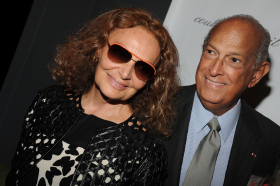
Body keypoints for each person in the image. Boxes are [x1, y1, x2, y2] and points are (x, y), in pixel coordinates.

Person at [6, 7, 179, 186]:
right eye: (120, 53)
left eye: (143, 68)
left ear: (151, 80)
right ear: (98, 48)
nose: (125, 73)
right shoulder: (50, 102)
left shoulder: (145, 151)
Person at [163, 14, 280, 186]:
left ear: (256, 74)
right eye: (211, 52)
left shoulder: (273, 141)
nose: (214, 69)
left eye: (234, 60)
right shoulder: (154, 107)